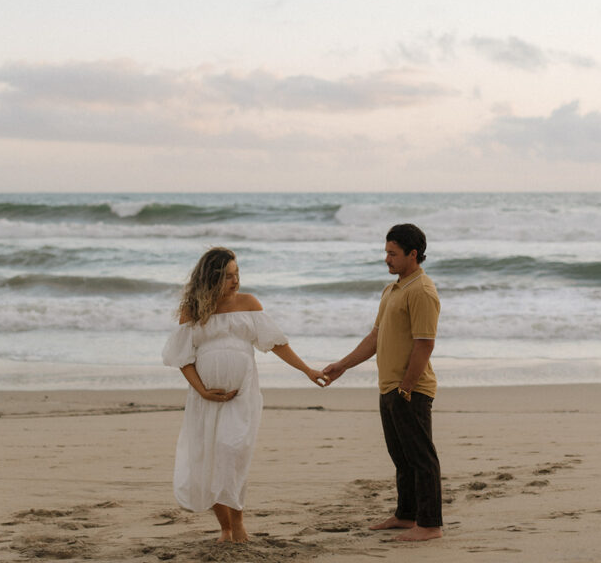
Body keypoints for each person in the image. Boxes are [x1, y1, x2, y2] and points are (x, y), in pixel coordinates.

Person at [162, 246, 326, 543]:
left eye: (237, 274)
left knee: (232, 454)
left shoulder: (248, 303)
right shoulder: (194, 311)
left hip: (242, 395)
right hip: (205, 399)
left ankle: (238, 524)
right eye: (227, 276)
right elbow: (183, 358)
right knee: (207, 460)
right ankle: (225, 529)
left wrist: (306, 370)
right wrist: (202, 391)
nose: (235, 281)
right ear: (210, 278)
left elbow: (276, 344)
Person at [323, 223, 442, 542]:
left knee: (421, 459)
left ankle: (429, 525)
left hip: (411, 389)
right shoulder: (392, 290)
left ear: (413, 255)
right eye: (386, 252)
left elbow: (424, 343)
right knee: (401, 458)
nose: (386, 259)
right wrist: (342, 366)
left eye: (393, 253)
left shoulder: (422, 291)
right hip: (390, 386)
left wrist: (407, 386)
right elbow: (375, 337)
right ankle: (406, 516)